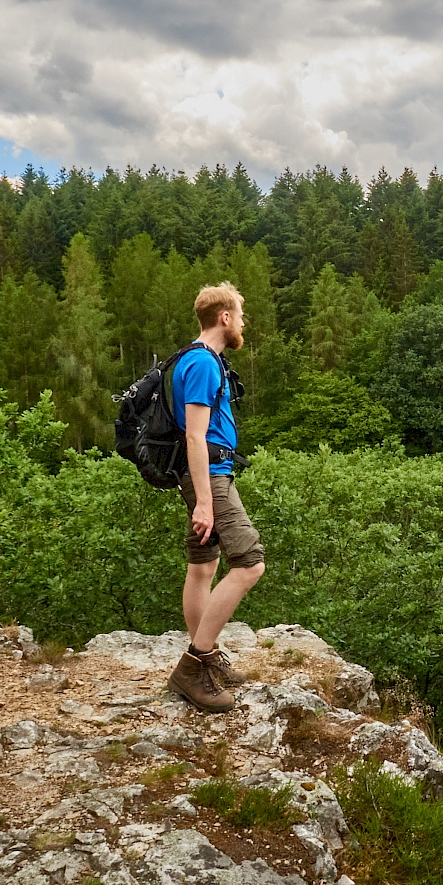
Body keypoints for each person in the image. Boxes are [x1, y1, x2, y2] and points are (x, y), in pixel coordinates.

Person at [166, 282, 265, 712]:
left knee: (203, 565)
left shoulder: (194, 360)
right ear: (224, 317)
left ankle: (205, 656)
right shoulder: (204, 364)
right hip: (211, 475)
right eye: (240, 315)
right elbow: (194, 435)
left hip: (206, 474)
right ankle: (192, 669)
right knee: (249, 563)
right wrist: (205, 501)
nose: (242, 323)